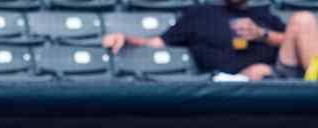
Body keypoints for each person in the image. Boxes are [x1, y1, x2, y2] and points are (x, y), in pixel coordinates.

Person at [102, 0, 318, 80]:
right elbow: (157, 43)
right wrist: (125, 37)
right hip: (234, 81)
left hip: (282, 74)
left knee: (304, 19)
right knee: (257, 73)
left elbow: (292, 39)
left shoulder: (262, 13)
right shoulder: (199, 14)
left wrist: (262, 34)